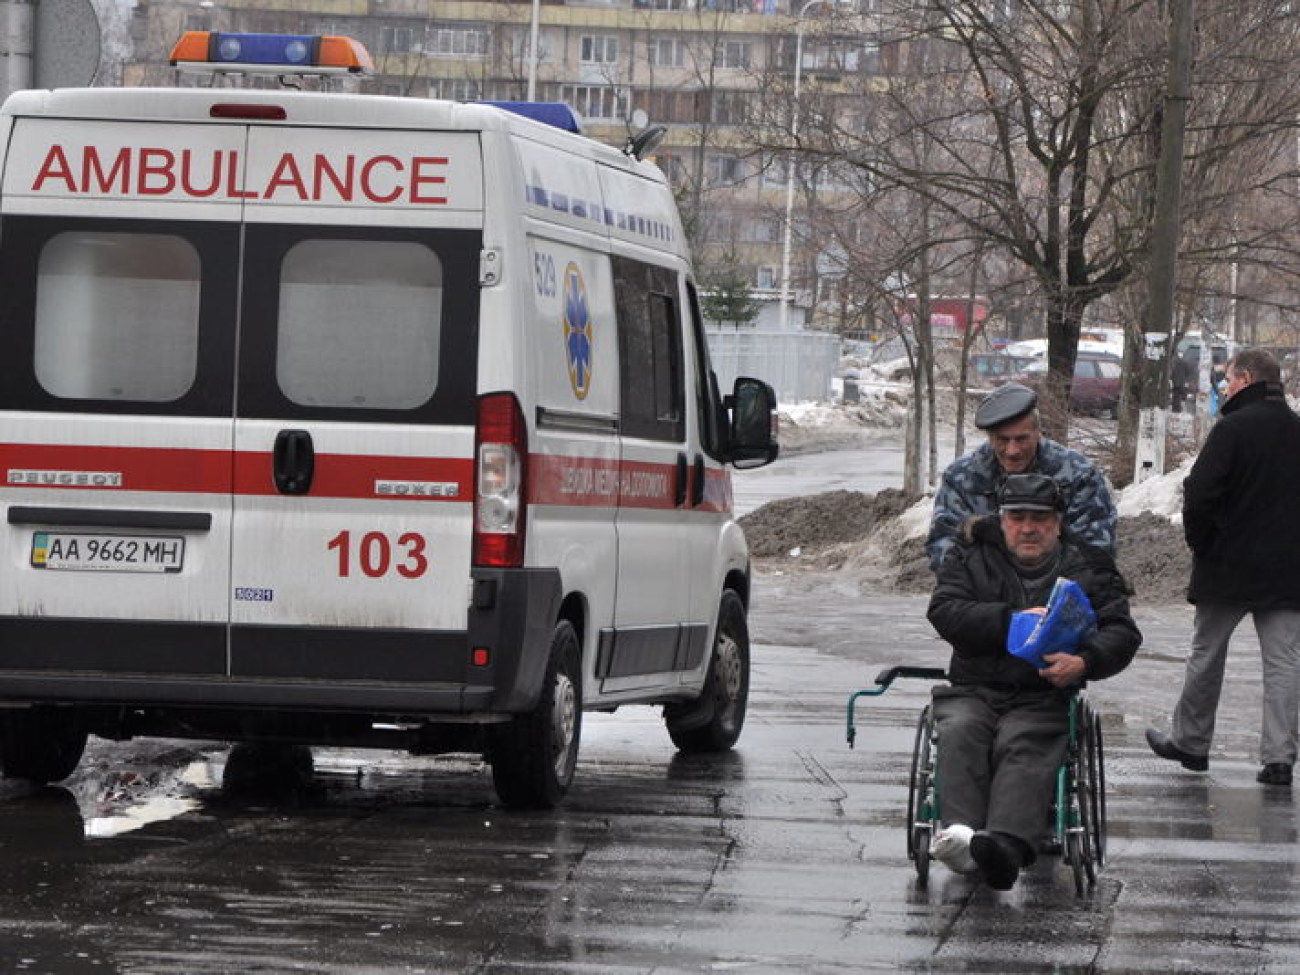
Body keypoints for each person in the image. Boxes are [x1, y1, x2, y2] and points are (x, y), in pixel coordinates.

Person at [926, 473, 1141, 890]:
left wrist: (1084, 661)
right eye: (1017, 517)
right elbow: (945, 610)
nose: (1028, 528)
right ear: (1002, 520)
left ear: (1058, 523)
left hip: (1042, 692)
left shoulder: (1088, 564)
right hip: (975, 685)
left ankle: (1005, 845)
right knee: (962, 730)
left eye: (1040, 519)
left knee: (1024, 739)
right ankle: (964, 838)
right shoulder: (970, 555)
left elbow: (1122, 632)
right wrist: (1010, 622)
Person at [1146, 348, 1300, 787]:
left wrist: (1203, 543)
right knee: (1285, 663)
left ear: (1247, 378)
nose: (1224, 386)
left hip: (1227, 566)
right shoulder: (1296, 430)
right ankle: (1279, 760)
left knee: (1207, 654)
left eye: (1229, 379)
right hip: (1287, 571)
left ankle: (1191, 744)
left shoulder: (1231, 429)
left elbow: (1200, 493)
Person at [926, 382, 1117, 572]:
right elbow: (943, 547)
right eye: (1002, 440)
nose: (1012, 451)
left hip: (1058, 592)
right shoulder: (962, 477)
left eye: (1022, 439)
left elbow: (1096, 550)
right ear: (990, 437)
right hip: (984, 593)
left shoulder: (1079, 475)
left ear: (1038, 432)